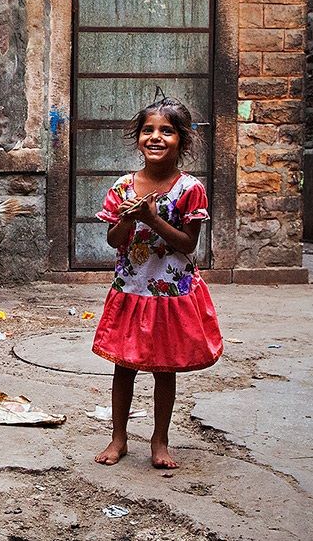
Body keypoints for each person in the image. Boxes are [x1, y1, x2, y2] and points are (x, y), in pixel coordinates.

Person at [91, 96, 223, 470]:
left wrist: (152, 219)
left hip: (171, 292)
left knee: (165, 369)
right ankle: (118, 437)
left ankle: (159, 440)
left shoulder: (189, 189)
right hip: (131, 289)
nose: (156, 137)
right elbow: (114, 241)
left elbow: (188, 244)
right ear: (138, 138)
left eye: (166, 131)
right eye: (148, 130)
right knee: (124, 366)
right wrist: (129, 218)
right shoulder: (123, 187)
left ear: (182, 140)